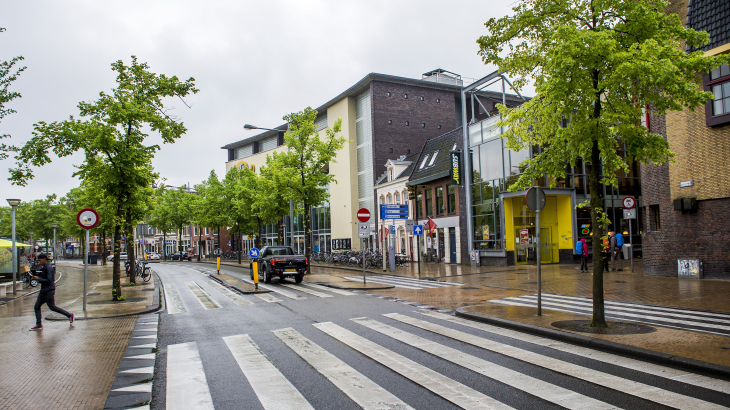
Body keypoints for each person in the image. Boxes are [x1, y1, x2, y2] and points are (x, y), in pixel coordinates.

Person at [30, 253, 73, 330]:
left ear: (44, 259)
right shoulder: (45, 267)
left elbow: (49, 280)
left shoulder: (48, 268)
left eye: (40, 260)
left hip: (48, 291)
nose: (39, 262)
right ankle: (39, 324)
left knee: (52, 307)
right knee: (37, 306)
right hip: (43, 290)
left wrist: (38, 279)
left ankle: (69, 315)